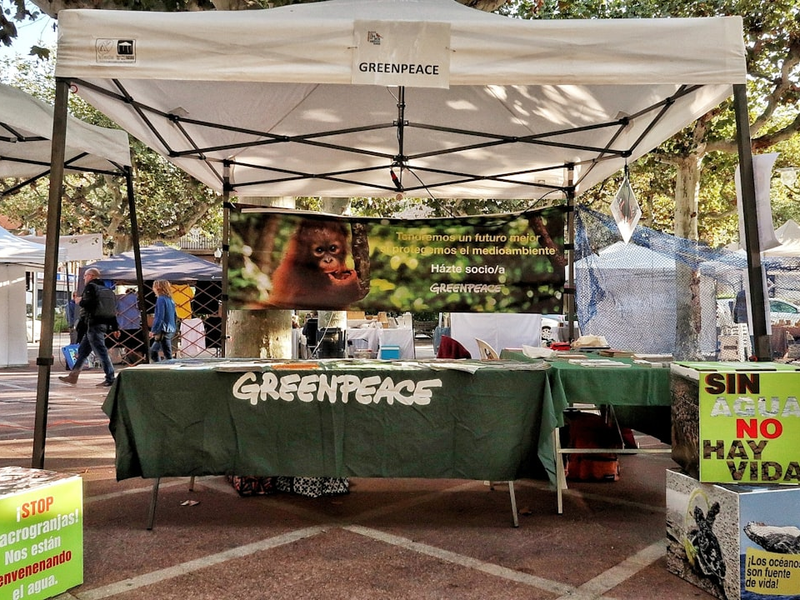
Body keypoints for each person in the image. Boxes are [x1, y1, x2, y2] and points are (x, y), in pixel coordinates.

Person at [59, 268, 119, 387]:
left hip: (93, 324)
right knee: (83, 351)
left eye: (85, 276)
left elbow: (88, 304)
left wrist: (79, 301)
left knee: (101, 351)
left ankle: (110, 377)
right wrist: (115, 327)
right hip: (103, 324)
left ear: (91, 276)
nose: (84, 278)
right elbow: (113, 311)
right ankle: (73, 376)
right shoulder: (108, 291)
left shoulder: (91, 287)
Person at [149, 279, 177, 362]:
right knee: (164, 352)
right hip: (170, 328)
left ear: (158, 288)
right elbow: (175, 315)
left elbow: (159, 316)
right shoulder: (170, 299)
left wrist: (154, 330)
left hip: (163, 330)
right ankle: (162, 367)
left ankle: (163, 368)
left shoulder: (161, 299)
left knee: (156, 352)